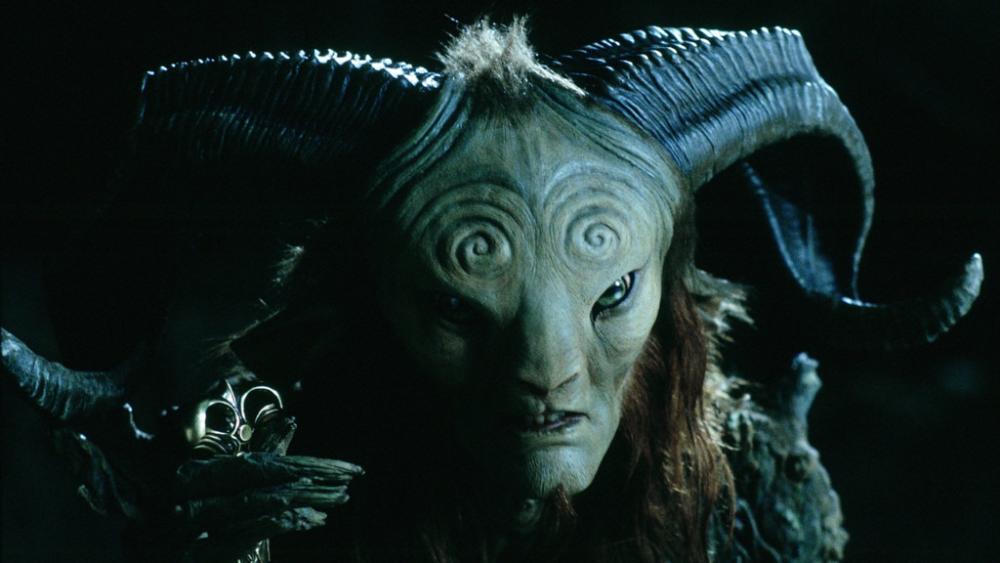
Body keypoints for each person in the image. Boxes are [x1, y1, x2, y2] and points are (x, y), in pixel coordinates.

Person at [0, 18, 982, 562]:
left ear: (663, 280)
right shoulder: (266, 488)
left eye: (610, 295)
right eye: (458, 307)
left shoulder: (743, 491)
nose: (548, 373)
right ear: (372, 298)